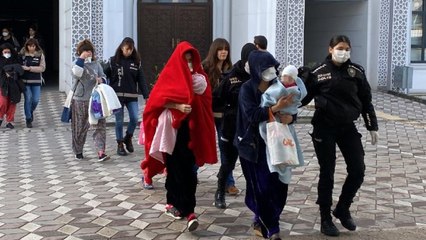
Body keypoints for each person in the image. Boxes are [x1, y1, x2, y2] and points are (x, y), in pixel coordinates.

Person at [301, 35, 379, 237]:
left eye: (346, 48)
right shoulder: (318, 72)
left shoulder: (357, 72)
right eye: (339, 48)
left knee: (358, 169)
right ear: (330, 49)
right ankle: (325, 218)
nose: (343, 52)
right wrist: (297, 86)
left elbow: (366, 100)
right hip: (324, 127)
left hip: (347, 127)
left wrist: (372, 126)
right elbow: (301, 99)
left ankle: (343, 208)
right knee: (328, 172)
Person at [142, 41, 217, 232]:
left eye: (192, 59)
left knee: (189, 172)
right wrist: (178, 106)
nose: (189, 63)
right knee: (174, 169)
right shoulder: (169, 76)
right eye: (186, 59)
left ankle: (190, 210)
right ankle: (173, 203)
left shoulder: (199, 77)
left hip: (191, 132)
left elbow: (204, 94)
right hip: (172, 131)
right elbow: (157, 101)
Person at [234, 50, 294, 240]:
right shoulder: (246, 89)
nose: (270, 71)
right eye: (265, 68)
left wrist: (290, 117)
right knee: (261, 187)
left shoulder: (279, 86)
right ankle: (272, 228)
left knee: (279, 186)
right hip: (253, 147)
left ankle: (265, 217)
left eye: (272, 67)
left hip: (276, 145)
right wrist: (276, 108)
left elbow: (292, 109)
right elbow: (251, 116)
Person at [212, 42, 257, 209]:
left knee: (252, 166)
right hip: (230, 127)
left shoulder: (259, 75)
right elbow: (216, 98)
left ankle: (255, 198)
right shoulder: (231, 76)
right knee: (228, 163)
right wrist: (223, 112)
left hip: (251, 129)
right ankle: (220, 192)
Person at [258, 64, 306, 186]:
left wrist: (291, 117)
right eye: (284, 76)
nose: (286, 80)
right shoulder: (249, 88)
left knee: (283, 153)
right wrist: (277, 107)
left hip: (283, 125)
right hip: (265, 129)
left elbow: (294, 104)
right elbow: (253, 113)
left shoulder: (294, 88)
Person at [202, 38, 240, 195]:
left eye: (226, 49)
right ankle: (190, 172)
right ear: (214, 51)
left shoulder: (231, 70)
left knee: (227, 150)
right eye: (220, 49)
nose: (223, 52)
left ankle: (228, 182)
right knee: (201, 146)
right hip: (207, 114)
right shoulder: (205, 68)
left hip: (225, 117)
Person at [105, 37, 149, 156]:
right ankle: (120, 144)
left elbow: (141, 80)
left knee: (134, 118)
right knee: (119, 121)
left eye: (131, 49)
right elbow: (104, 75)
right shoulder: (113, 61)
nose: (128, 52)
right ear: (121, 48)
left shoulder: (136, 62)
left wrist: (146, 95)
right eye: (126, 49)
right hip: (117, 96)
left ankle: (128, 137)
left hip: (131, 96)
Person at [71, 39, 110, 161]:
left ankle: (101, 152)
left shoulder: (96, 64)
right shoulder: (76, 63)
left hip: (96, 100)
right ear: (80, 52)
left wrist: (101, 80)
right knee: (80, 126)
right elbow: (76, 74)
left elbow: (104, 76)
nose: (88, 53)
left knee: (99, 125)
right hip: (80, 99)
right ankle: (78, 151)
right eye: (85, 51)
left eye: (90, 51)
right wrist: (81, 59)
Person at [20, 38, 46, 128]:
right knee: (28, 98)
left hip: (36, 81)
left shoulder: (40, 55)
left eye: (34, 46)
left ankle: (30, 111)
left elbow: (42, 68)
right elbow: (18, 66)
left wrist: (30, 68)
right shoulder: (22, 55)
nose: (32, 48)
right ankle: (28, 118)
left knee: (35, 100)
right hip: (25, 81)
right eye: (30, 46)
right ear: (27, 46)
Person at [0, 43, 24, 129]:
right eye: (5, 52)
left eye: (8, 52)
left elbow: (20, 70)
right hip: (3, 84)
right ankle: (0, 117)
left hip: (14, 84)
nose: (7, 53)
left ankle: (10, 121)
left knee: (12, 103)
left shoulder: (15, 58)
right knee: (3, 102)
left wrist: (11, 72)